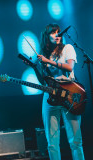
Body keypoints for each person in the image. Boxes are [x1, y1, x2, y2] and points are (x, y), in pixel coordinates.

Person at [26, 23, 85, 160]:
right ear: (46, 37)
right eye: (53, 33)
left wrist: (49, 62)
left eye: (58, 32)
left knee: (75, 141)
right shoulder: (43, 56)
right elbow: (43, 82)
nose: (57, 35)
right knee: (52, 143)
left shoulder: (67, 48)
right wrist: (35, 67)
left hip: (69, 95)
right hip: (51, 98)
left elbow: (69, 67)